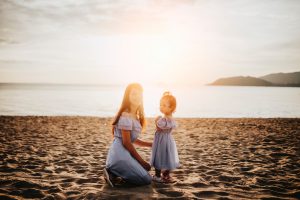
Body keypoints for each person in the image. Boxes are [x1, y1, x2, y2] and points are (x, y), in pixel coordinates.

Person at [104, 83, 152, 187]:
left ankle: (113, 173)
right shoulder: (126, 115)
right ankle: (112, 171)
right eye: (134, 94)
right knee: (146, 179)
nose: (137, 97)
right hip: (120, 154)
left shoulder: (135, 116)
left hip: (122, 152)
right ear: (127, 96)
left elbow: (131, 139)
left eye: (139, 94)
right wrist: (142, 161)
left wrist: (150, 144)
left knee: (146, 176)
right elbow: (126, 142)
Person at [150, 91, 180, 183]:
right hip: (168, 139)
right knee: (168, 156)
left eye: (164, 105)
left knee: (159, 156)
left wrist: (156, 120)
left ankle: (158, 176)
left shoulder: (163, 119)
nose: (161, 107)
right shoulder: (171, 119)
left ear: (171, 108)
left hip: (161, 140)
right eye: (160, 105)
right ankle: (166, 174)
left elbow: (159, 127)